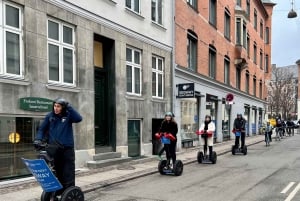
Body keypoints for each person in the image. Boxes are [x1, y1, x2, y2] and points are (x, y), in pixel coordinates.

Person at [34, 98, 82, 195]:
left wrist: (69, 107)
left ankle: (69, 193)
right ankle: (59, 190)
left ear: (63, 107)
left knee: (68, 172)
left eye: (58, 106)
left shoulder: (68, 115)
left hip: (67, 149)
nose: (56, 108)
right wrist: (38, 139)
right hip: (54, 148)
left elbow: (78, 118)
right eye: (55, 106)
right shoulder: (50, 116)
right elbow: (41, 130)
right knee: (58, 171)